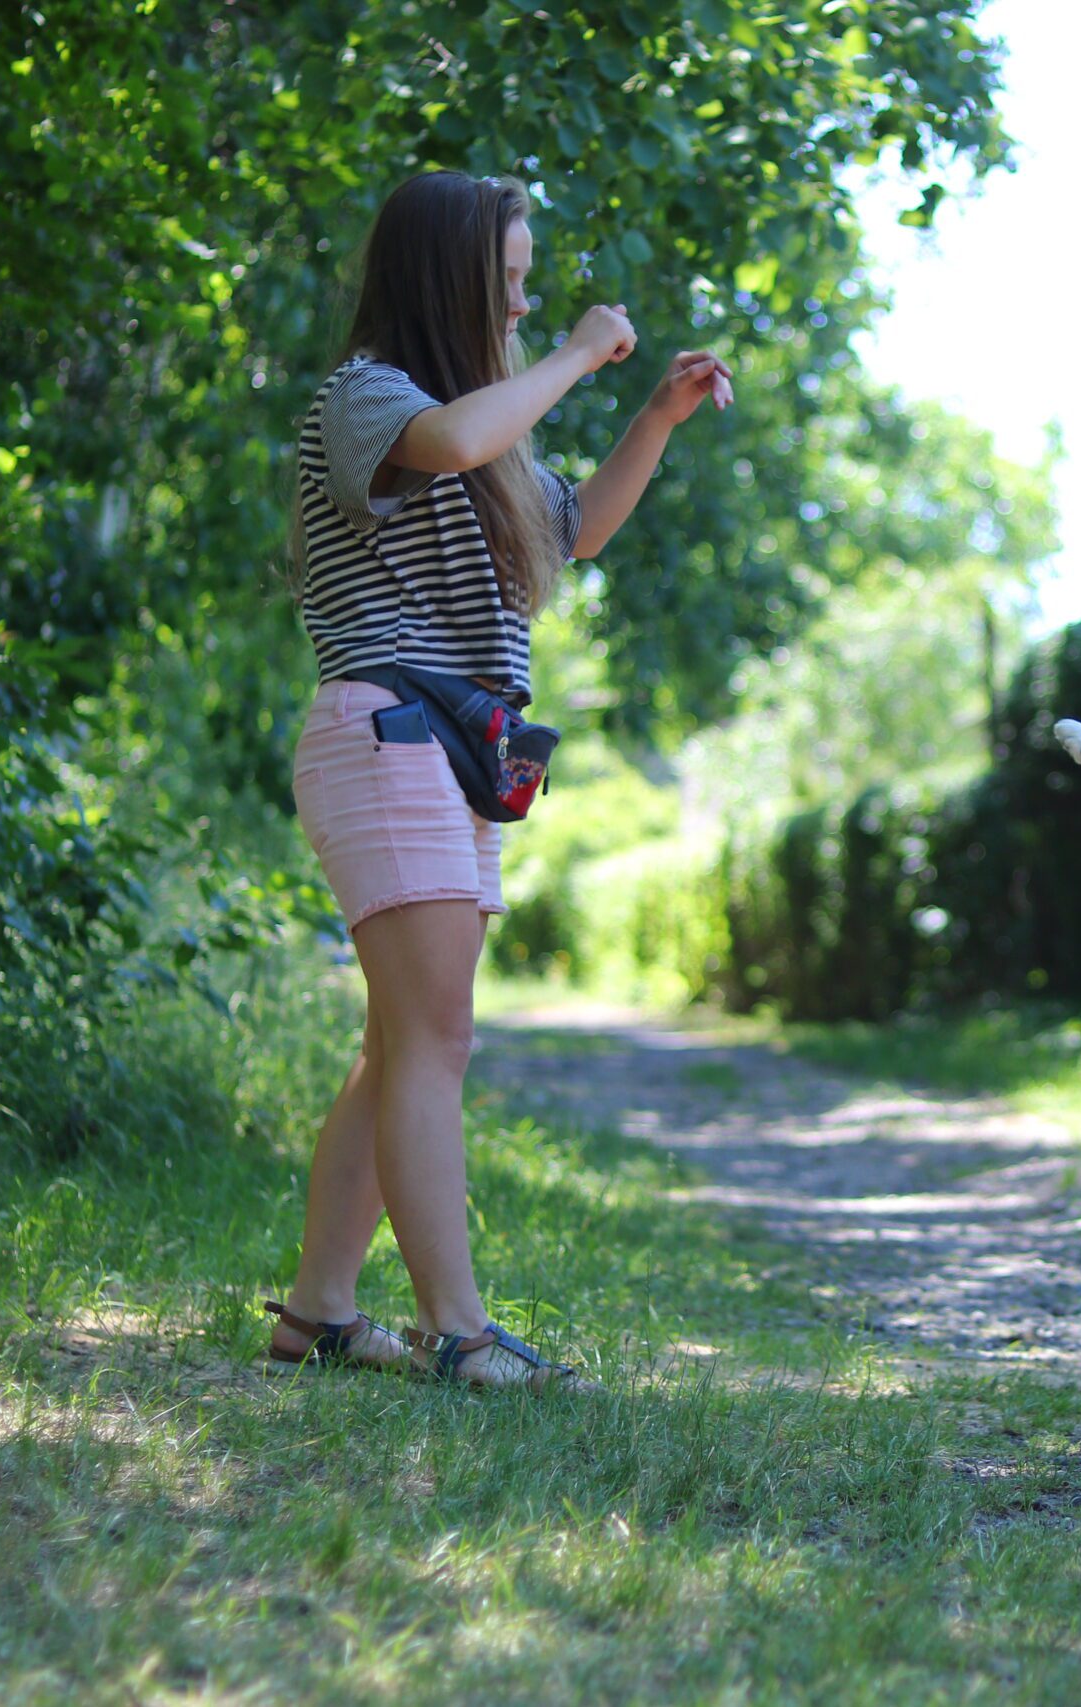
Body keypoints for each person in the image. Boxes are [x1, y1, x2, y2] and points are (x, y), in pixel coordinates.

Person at [265, 171, 731, 1388]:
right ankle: (460, 1335)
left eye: (530, 288)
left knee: (403, 1044)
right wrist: (576, 354)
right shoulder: (370, 397)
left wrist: (656, 417)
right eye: (508, 284)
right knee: (435, 1037)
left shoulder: (487, 428)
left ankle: (318, 1313)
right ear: (448, 282)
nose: (523, 307)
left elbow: (573, 529)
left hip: (458, 748)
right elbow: (459, 440)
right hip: (386, 729)